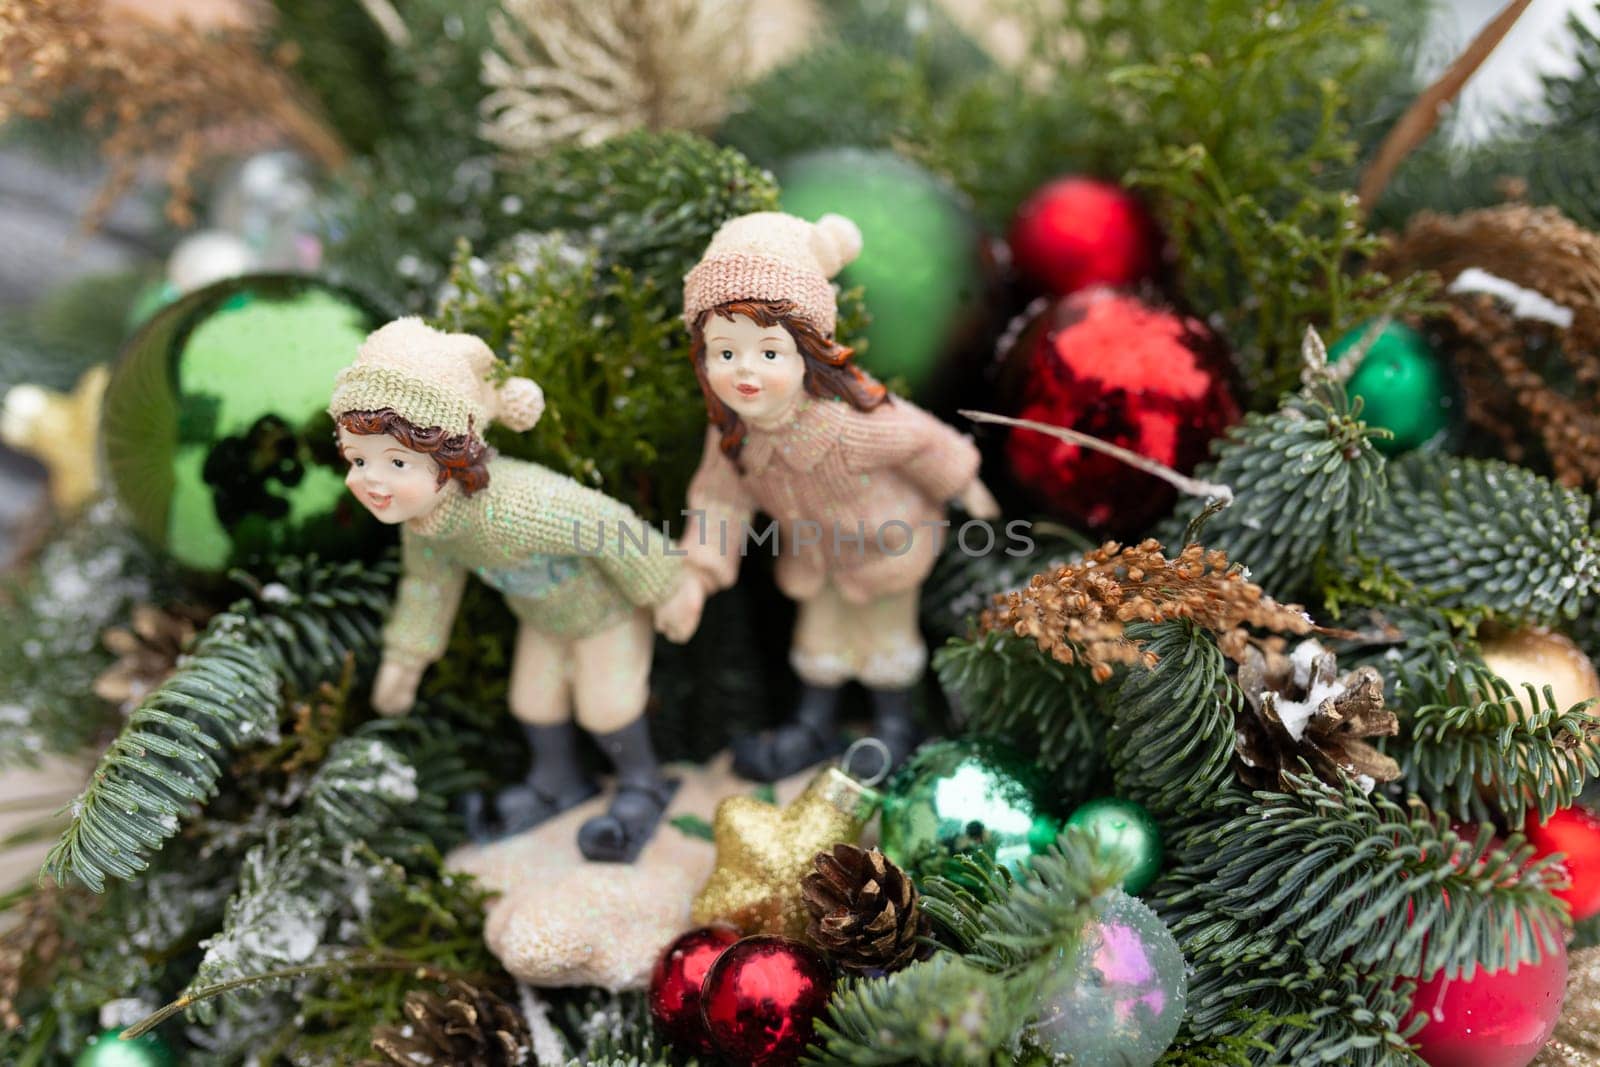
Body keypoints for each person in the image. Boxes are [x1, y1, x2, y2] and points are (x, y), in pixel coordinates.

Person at [330, 317, 698, 862]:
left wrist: (667, 587)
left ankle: (641, 781)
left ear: (450, 455)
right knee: (531, 699)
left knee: (606, 705)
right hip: (543, 619)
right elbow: (428, 588)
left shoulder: (513, 507)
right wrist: (407, 658)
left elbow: (606, 524)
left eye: (396, 462)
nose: (370, 481)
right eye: (359, 460)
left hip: (606, 614)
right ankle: (556, 780)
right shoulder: (426, 523)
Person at [655, 212, 999, 781]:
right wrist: (699, 572)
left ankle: (893, 725)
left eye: (769, 354)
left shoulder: (852, 424)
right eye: (724, 353)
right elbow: (718, 502)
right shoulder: (732, 439)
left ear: (807, 352)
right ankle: (814, 724)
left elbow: (921, 440)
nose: (746, 374)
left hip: (887, 545)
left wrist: (964, 483)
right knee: (819, 638)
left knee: (884, 638)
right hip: (815, 556)